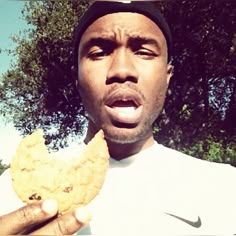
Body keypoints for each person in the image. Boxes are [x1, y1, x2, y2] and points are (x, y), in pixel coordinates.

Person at [1, 1, 236, 235]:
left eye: (144, 52)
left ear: (167, 76)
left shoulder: (223, 189)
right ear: (77, 78)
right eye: (99, 53)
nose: (122, 70)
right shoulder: (9, 194)